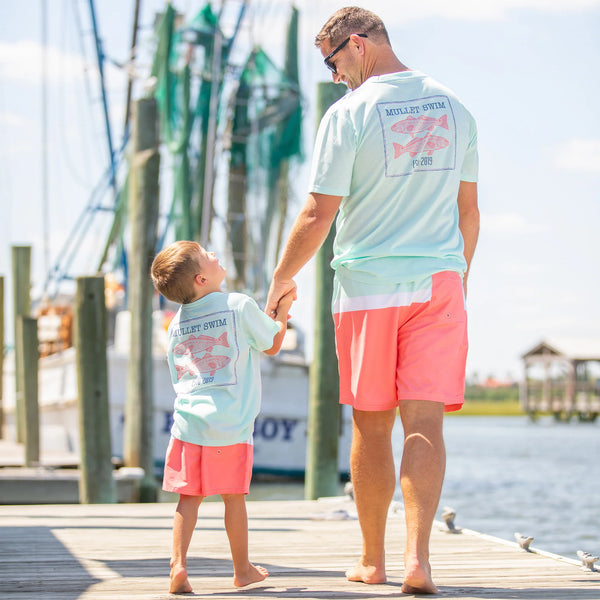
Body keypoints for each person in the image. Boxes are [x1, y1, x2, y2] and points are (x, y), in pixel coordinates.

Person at [266, 6, 479, 595]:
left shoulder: (349, 113)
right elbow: (468, 212)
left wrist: (282, 277)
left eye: (335, 63)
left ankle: (374, 560)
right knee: (426, 423)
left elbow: (318, 211)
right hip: (439, 281)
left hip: (368, 286)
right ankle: (419, 559)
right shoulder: (456, 108)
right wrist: (458, 279)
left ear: (357, 45)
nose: (337, 76)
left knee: (371, 423)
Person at [151, 240, 295, 594]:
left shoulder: (176, 324)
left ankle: (178, 566)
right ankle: (242, 570)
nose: (215, 254)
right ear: (201, 278)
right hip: (230, 424)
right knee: (234, 498)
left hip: (188, 425)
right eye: (207, 254)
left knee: (188, 499)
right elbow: (272, 344)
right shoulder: (239, 304)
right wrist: (284, 308)